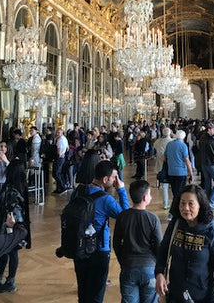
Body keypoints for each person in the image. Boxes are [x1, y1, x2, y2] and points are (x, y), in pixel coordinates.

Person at [155, 184, 214, 303]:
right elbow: (163, 250)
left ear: (200, 206)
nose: (186, 208)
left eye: (191, 204)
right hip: (175, 296)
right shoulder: (175, 225)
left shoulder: (211, 232)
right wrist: (159, 273)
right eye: (182, 203)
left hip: (202, 298)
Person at [72, 160, 129, 303]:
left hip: (78, 247)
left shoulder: (78, 191)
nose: (116, 180)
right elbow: (126, 217)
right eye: (114, 177)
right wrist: (121, 190)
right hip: (99, 250)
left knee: (83, 291)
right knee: (96, 294)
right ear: (105, 179)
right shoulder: (105, 199)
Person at [113, 180, 162, 303]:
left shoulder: (123, 216)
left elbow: (116, 243)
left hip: (128, 266)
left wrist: (122, 261)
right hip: (149, 268)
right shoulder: (153, 219)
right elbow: (158, 246)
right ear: (145, 198)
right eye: (150, 194)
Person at [0, 159, 31, 292]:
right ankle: (3, 278)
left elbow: (11, 211)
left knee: (9, 252)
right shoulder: (20, 186)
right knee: (10, 252)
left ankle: (6, 279)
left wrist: (8, 228)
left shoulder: (11, 190)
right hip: (15, 226)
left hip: (9, 226)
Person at [164, 130, 193, 216]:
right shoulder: (183, 146)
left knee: (175, 192)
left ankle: (176, 212)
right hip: (180, 173)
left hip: (171, 172)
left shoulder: (169, 144)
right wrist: (191, 173)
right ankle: (173, 213)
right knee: (179, 194)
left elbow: (164, 158)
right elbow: (187, 161)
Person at [198, 122, 214, 212]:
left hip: (204, 163)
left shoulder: (201, 138)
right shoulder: (210, 139)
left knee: (207, 183)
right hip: (212, 164)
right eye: (213, 129)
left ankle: (207, 203)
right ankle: (211, 201)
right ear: (209, 129)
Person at [154, 127, 172, 210]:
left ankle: (166, 203)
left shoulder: (158, 141)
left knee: (164, 186)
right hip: (170, 165)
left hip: (161, 166)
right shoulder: (171, 142)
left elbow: (155, 147)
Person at [53, 127, 69, 194]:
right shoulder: (64, 139)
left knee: (56, 173)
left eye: (58, 132)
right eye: (57, 132)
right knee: (58, 173)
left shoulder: (60, 140)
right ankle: (58, 188)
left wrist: (59, 154)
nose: (57, 133)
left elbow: (58, 150)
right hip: (62, 157)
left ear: (62, 133)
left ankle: (62, 187)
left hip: (59, 158)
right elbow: (67, 147)